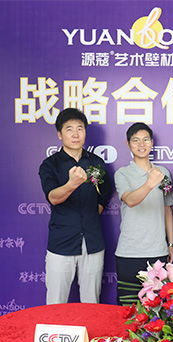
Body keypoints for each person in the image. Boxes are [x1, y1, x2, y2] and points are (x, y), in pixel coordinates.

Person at [39, 108, 111, 305]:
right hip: (62, 242)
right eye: (69, 129)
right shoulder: (50, 164)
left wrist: (91, 218)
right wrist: (71, 184)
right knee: (55, 303)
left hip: (93, 242)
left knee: (91, 303)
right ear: (60, 134)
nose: (75, 134)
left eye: (80, 128)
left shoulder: (96, 163)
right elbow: (53, 197)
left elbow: (104, 194)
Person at [114, 123, 173, 305]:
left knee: (158, 308)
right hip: (129, 253)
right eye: (136, 140)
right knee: (128, 308)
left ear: (152, 143)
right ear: (128, 144)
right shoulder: (122, 174)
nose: (141, 144)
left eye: (146, 140)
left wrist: (170, 244)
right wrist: (150, 182)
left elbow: (167, 209)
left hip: (157, 252)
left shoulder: (163, 173)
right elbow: (130, 200)